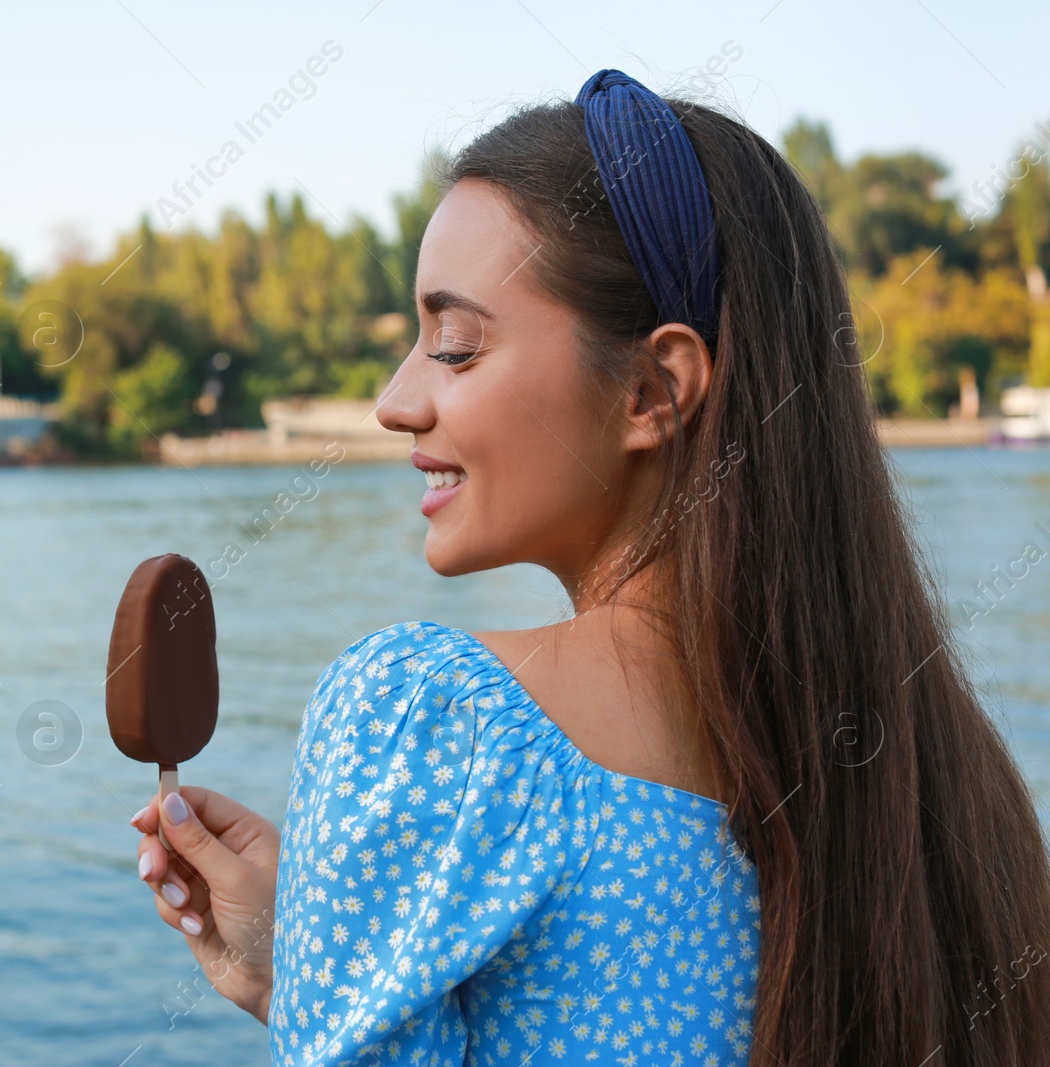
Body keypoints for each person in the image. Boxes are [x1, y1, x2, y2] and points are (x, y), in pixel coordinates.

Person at [130, 69, 1050, 1065]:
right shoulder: (952, 796)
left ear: (651, 392)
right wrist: (320, 973)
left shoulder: (436, 714)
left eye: (453, 343)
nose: (395, 399)